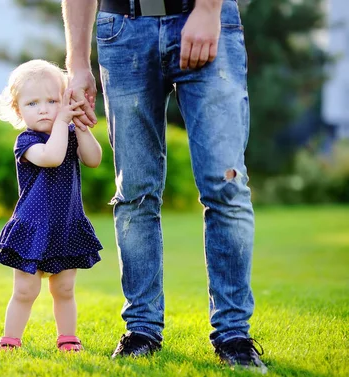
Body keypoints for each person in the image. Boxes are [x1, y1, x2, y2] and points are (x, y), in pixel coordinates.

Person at [62, 0, 267, 371]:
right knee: (135, 193)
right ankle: (141, 329)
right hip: (121, 29)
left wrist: (207, 9)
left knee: (226, 186)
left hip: (202, 18)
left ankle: (234, 335)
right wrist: (77, 61)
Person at [0, 59, 103, 351]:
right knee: (26, 290)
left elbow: (93, 159)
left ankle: (67, 338)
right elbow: (52, 157)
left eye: (52, 101)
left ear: (65, 100)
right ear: (18, 111)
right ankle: (10, 341)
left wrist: (80, 126)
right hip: (32, 227)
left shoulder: (68, 132)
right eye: (32, 103)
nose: (43, 109)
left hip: (66, 224)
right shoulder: (26, 141)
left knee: (64, 288)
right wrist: (63, 123)